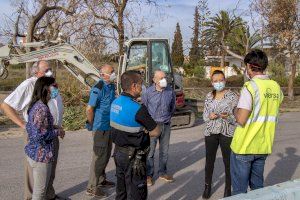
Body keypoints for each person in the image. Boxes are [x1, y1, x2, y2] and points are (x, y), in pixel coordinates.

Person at [0, 60, 64, 200]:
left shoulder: (50, 84)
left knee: (50, 169)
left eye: (51, 68)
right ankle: (31, 197)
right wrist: (23, 125)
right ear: (36, 72)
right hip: (38, 134)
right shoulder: (29, 85)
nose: (50, 71)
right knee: (35, 172)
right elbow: (6, 105)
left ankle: (49, 194)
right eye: (47, 69)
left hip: (51, 132)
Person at [230, 49, 283, 195]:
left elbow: (241, 119)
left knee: (240, 192)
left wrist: (235, 108)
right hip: (263, 146)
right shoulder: (276, 87)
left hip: (244, 147)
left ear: (249, 67)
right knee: (258, 189)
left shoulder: (250, 87)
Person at [110, 70, 160, 200]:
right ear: (133, 86)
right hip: (134, 158)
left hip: (118, 153)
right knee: (137, 193)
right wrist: (145, 130)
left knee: (121, 191)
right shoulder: (138, 109)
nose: (142, 87)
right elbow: (156, 131)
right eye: (141, 84)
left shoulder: (115, 102)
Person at [25, 76, 65, 200]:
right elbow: (39, 135)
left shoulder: (38, 105)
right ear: (46, 88)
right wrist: (57, 132)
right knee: (39, 193)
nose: (56, 89)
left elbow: (39, 126)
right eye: (54, 86)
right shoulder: (41, 108)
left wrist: (54, 126)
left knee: (41, 191)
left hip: (36, 152)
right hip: (41, 155)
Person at [202, 70, 239, 199]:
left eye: (221, 80)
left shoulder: (233, 96)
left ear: (225, 80)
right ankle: (207, 186)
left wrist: (228, 117)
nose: (219, 83)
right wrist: (209, 116)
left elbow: (237, 118)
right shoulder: (209, 96)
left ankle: (228, 188)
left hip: (227, 132)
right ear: (212, 82)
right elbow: (204, 116)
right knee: (209, 161)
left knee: (228, 162)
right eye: (216, 81)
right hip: (211, 132)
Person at [85, 64, 117, 198]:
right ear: (103, 75)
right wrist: (92, 124)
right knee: (98, 158)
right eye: (112, 72)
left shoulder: (111, 86)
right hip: (100, 128)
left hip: (109, 126)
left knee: (105, 155)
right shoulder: (98, 88)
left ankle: (102, 180)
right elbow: (89, 109)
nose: (114, 73)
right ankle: (92, 187)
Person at [141, 70, 176, 186]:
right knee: (150, 152)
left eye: (164, 77)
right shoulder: (148, 92)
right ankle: (149, 175)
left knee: (164, 152)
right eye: (161, 78)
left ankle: (162, 172)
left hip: (166, 124)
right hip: (152, 125)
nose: (163, 80)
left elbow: (172, 107)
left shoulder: (170, 91)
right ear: (154, 80)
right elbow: (144, 108)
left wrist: (167, 118)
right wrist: (147, 125)